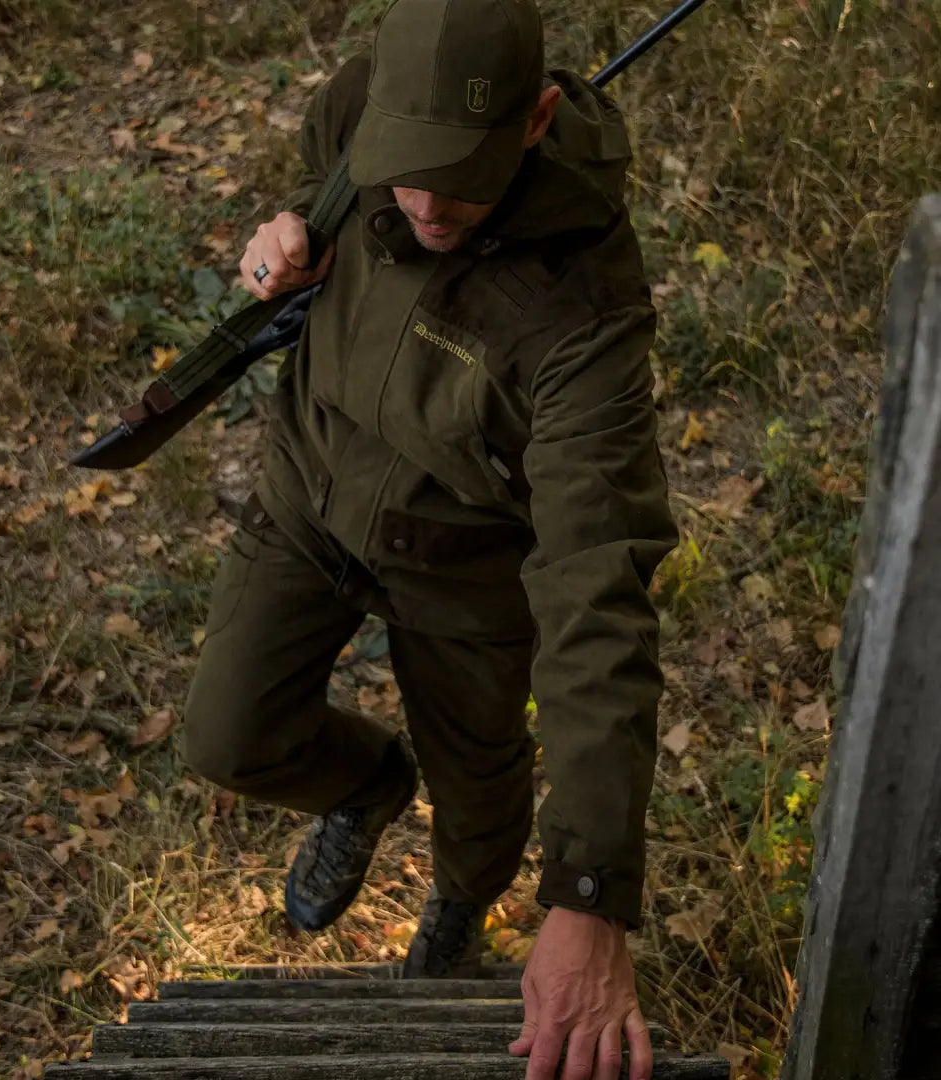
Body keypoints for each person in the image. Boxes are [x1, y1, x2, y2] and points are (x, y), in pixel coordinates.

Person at [183, 0, 677, 1077]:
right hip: (312, 491)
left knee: (482, 801)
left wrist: (589, 896)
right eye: (402, 169)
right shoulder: (364, 105)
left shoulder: (587, 311)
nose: (423, 203)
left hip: (465, 573)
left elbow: (599, 589)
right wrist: (288, 229)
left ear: (538, 118)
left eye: (457, 173)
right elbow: (324, 168)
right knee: (226, 736)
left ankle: (460, 902)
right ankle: (365, 790)